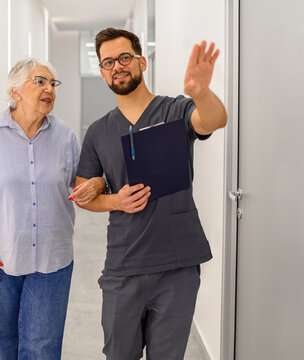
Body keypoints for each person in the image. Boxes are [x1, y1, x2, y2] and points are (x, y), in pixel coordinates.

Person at [75, 28, 227, 360]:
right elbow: (83, 194)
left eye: (125, 57)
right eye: (109, 62)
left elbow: (213, 120)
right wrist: (115, 200)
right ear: (102, 72)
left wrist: (201, 94)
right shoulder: (99, 132)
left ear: (142, 61)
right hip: (123, 265)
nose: (117, 66)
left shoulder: (174, 111)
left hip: (177, 267)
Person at [0, 57, 106, 359]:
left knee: (43, 348)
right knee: (4, 343)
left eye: (53, 83)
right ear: (16, 91)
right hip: (0, 260)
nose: (49, 88)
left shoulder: (65, 136)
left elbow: (82, 187)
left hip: (51, 261)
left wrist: (101, 184)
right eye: (40, 81)